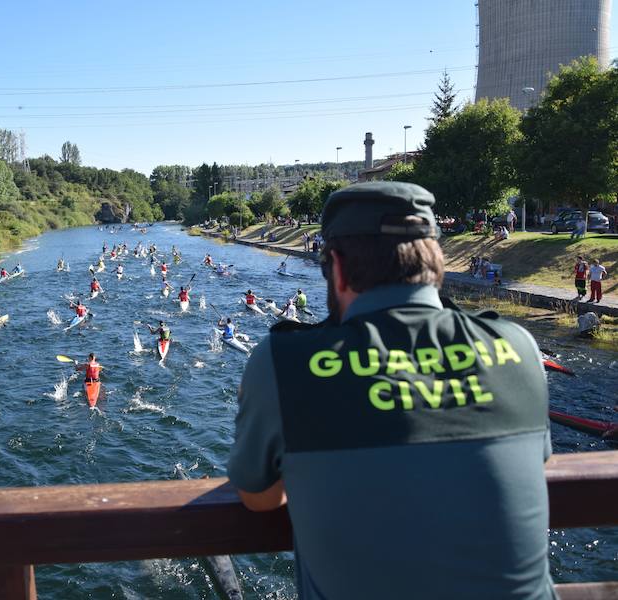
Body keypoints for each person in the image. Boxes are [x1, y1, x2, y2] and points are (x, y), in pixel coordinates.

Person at [228, 181, 553, 599]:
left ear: (338, 269)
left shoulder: (282, 362)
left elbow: (259, 498)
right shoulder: (517, 346)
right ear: (436, 264)